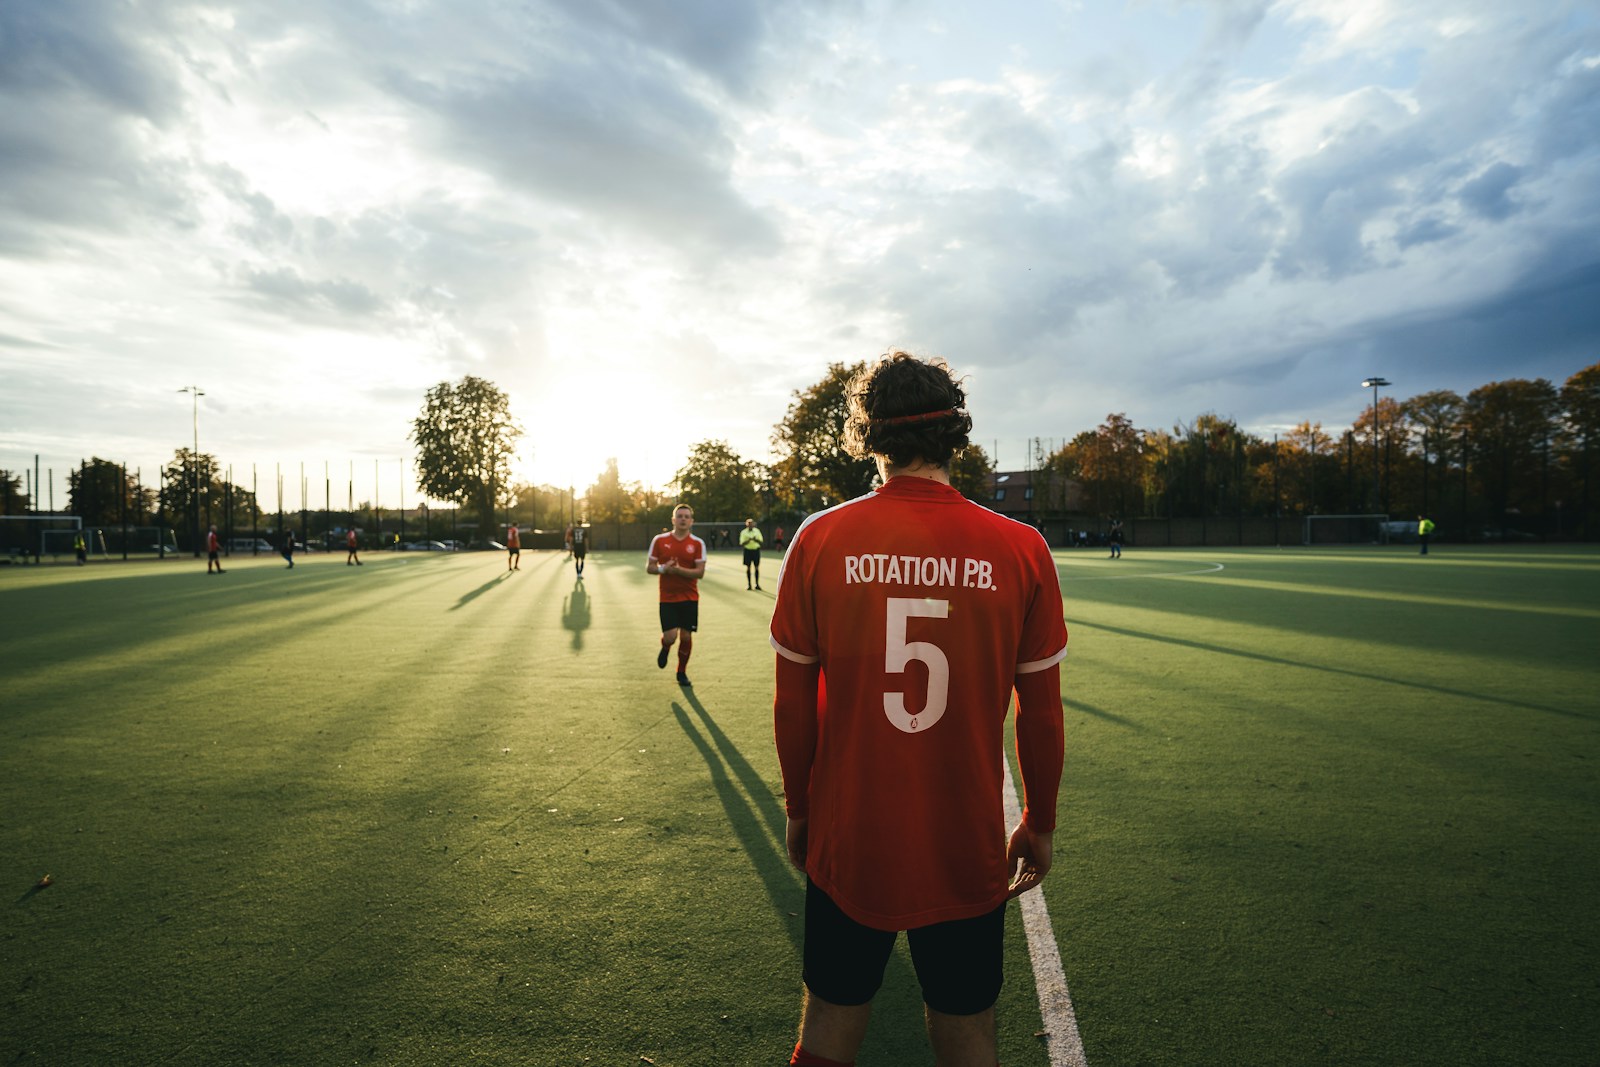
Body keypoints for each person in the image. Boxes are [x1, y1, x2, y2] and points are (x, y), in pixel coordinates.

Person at [770, 350, 1067, 1067]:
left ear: (868, 437)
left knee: (830, 1028)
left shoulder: (820, 538)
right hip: (965, 842)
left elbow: (793, 702)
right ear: (956, 435)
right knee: (967, 1034)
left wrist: (800, 808)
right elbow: (1041, 713)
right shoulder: (1022, 548)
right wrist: (1039, 820)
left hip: (851, 834)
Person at [647, 504, 706, 687]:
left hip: (689, 597)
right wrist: (664, 569)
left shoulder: (697, 543)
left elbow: (699, 573)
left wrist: (678, 570)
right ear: (673, 520)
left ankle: (681, 672)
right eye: (679, 516)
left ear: (691, 521)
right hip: (667, 598)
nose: (683, 519)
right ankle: (665, 647)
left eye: (686, 516)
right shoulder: (659, 540)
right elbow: (650, 568)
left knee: (686, 637)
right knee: (671, 637)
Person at [739, 517, 764, 590]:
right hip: (748, 551)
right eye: (749, 524)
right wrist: (749, 540)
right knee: (748, 567)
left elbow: (761, 541)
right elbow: (742, 543)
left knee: (756, 567)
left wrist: (755, 539)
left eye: (751, 524)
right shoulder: (743, 532)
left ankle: (757, 584)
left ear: (753, 524)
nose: (750, 525)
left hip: (756, 550)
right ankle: (749, 584)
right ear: (746, 525)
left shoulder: (757, 531)